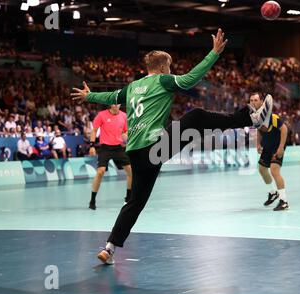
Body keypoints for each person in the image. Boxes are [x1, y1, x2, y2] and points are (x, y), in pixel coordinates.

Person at [71, 28, 273, 265]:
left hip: (136, 153)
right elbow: (189, 80)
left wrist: (90, 95)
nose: (171, 70)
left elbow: (111, 98)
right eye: (170, 67)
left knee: (135, 203)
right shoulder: (163, 80)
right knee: (196, 116)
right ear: (163, 67)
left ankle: (110, 247)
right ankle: (252, 119)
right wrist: (213, 54)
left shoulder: (133, 87)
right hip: (153, 147)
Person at [88, 104, 132, 210]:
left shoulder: (124, 116)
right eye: (114, 103)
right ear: (110, 105)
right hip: (105, 148)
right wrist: (92, 146)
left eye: (118, 103)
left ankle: (128, 197)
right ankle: (92, 200)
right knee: (100, 172)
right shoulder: (101, 115)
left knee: (130, 171)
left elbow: (126, 131)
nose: (117, 105)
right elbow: (94, 130)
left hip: (118, 148)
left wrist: (125, 135)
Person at [250, 92, 289, 211]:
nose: (253, 102)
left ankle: (284, 201)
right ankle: (273, 192)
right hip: (266, 147)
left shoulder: (272, 117)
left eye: (256, 100)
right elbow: (258, 130)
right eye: (251, 100)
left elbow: (284, 129)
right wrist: (257, 144)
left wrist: (281, 147)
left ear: (262, 102)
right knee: (262, 169)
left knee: (274, 170)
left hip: (277, 146)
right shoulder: (255, 117)